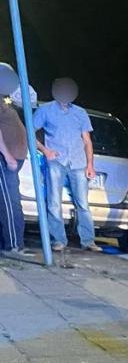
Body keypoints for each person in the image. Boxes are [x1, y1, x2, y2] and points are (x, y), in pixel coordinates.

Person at [32, 78, 98, 252]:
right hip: (56, 162)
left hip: (78, 162)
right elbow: (29, 132)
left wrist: (90, 165)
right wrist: (45, 150)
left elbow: (87, 141)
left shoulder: (80, 113)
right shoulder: (45, 110)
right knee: (54, 202)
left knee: (83, 203)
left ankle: (88, 241)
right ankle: (58, 239)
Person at [0, 64, 27, 256]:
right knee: (9, 202)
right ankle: (13, 246)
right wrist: (8, 156)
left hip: (14, 158)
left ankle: (16, 244)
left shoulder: (5, 101)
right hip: (5, 158)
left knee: (13, 201)